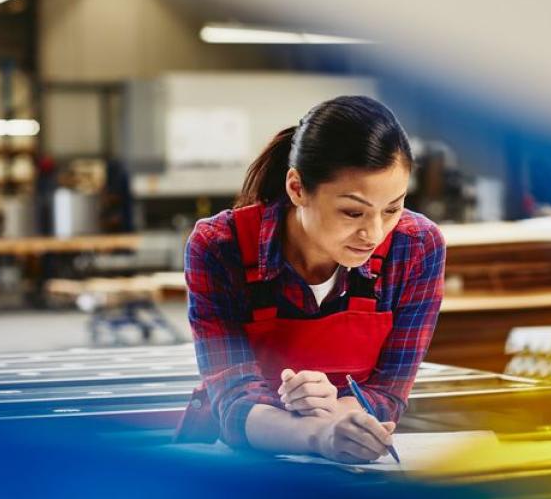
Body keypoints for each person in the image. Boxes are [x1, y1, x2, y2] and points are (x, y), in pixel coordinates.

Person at [176, 95, 446, 464]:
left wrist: (335, 412)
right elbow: (234, 403)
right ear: (297, 188)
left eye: (392, 208)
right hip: (234, 466)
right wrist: (320, 434)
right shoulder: (220, 247)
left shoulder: (415, 248)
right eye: (352, 212)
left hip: (340, 461)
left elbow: (387, 393)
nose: (374, 233)